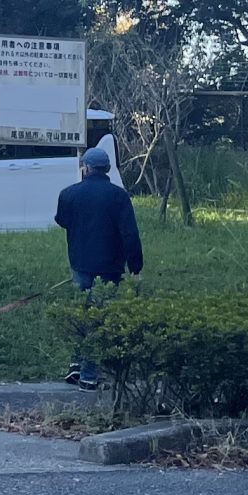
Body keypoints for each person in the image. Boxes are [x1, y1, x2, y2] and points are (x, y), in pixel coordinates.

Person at [53, 144, 142, 390]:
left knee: (82, 315)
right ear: (108, 169)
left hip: (80, 263)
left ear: (86, 168)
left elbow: (61, 220)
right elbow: (129, 234)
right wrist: (135, 266)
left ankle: (76, 365)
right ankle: (89, 376)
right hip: (110, 267)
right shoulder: (118, 196)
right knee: (99, 318)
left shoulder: (68, 194)